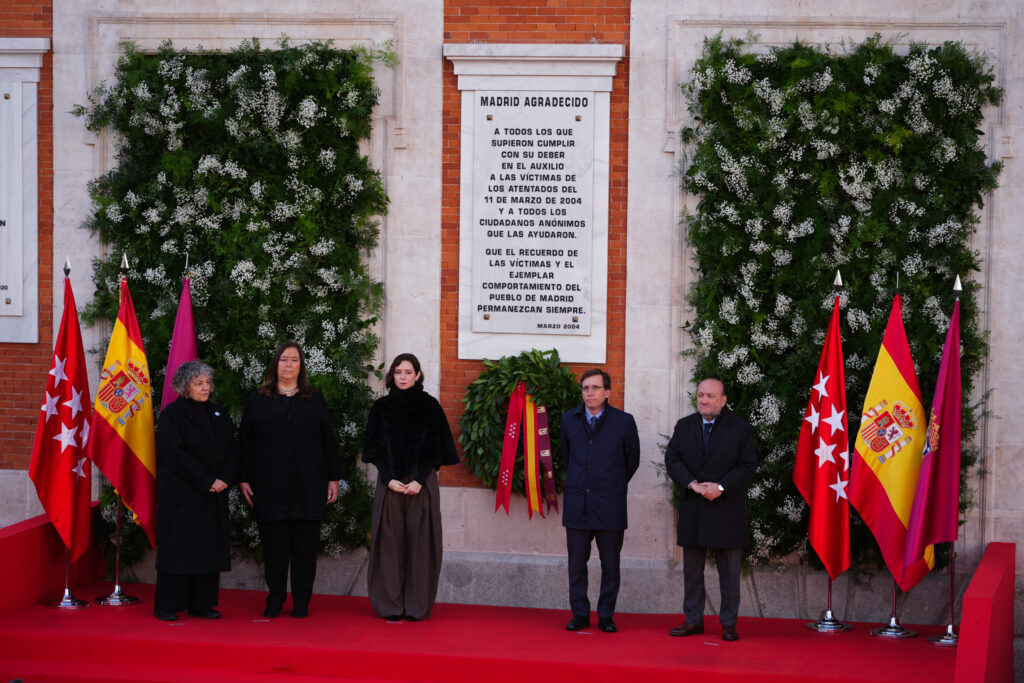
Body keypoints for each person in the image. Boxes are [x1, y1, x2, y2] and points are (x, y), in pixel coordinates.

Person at [239, 341, 342, 618]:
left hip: (309, 486)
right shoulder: (257, 400)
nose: (288, 365)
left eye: (294, 360)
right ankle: (275, 600)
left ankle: (301, 602)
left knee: (305, 550)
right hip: (268, 486)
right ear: (275, 365)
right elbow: (245, 442)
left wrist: (333, 478)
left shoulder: (314, 398)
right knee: (274, 550)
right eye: (284, 359)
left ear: (301, 366)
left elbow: (328, 440)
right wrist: (243, 478)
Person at [362, 353, 459, 621]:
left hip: (422, 483)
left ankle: (417, 607)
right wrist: (387, 478)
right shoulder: (381, 408)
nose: (403, 377)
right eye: (398, 372)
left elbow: (437, 449)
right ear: (392, 375)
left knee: (421, 546)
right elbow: (374, 449)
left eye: (408, 372)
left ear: (417, 375)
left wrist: (420, 480)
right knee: (389, 545)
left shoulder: (430, 406)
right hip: (390, 482)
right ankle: (390, 606)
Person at [664, 377, 757, 641]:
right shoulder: (684, 426)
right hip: (694, 508)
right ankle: (693, 619)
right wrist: (692, 484)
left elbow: (748, 465)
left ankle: (728, 623)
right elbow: (672, 458)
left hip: (727, 509)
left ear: (723, 400)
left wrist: (721, 487)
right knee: (692, 572)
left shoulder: (740, 428)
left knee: (729, 573)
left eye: (710, 396)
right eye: (701, 395)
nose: (704, 400)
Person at [153, 361, 237, 621]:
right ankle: (167, 605)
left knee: (208, 548)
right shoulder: (172, 415)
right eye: (199, 383)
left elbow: (233, 449)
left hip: (213, 494)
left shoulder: (218, 412)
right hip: (183, 495)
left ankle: (202, 603)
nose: (205, 388)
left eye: (207, 383)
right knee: (179, 548)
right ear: (184, 386)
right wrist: (207, 479)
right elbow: (174, 454)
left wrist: (224, 479)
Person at [561, 369, 640, 633]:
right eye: (585, 388)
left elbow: (632, 460)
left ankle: (606, 616)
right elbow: (566, 456)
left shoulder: (624, 422)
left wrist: (613, 483)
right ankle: (579, 614)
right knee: (576, 566)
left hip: (610, 504)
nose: (589, 393)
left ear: (607, 392)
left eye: (595, 388)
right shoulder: (569, 419)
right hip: (577, 504)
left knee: (610, 565)